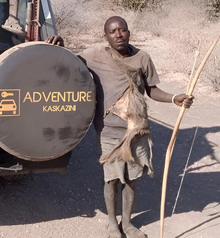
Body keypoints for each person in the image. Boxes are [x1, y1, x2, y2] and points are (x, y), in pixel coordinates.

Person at [47, 16, 194, 238]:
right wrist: (60, 43)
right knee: (112, 179)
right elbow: (69, 61)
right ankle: (112, 224)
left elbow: (151, 90)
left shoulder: (143, 58)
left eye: (122, 30)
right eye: (113, 31)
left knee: (131, 179)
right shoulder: (95, 55)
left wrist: (175, 98)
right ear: (106, 36)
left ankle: (127, 224)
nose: (118, 35)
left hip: (137, 130)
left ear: (129, 32)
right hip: (108, 130)